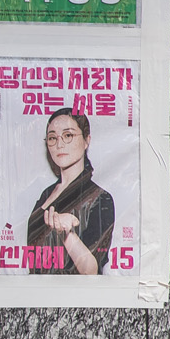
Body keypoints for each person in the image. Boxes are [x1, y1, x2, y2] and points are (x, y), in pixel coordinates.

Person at [23, 109, 115, 275]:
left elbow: (91, 271)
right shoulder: (46, 194)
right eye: (52, 138)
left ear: (87, 140)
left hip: (75, 298)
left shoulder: (100, 198)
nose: (59, 144)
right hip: (37, 295)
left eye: (68, 135)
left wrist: (68, 234)